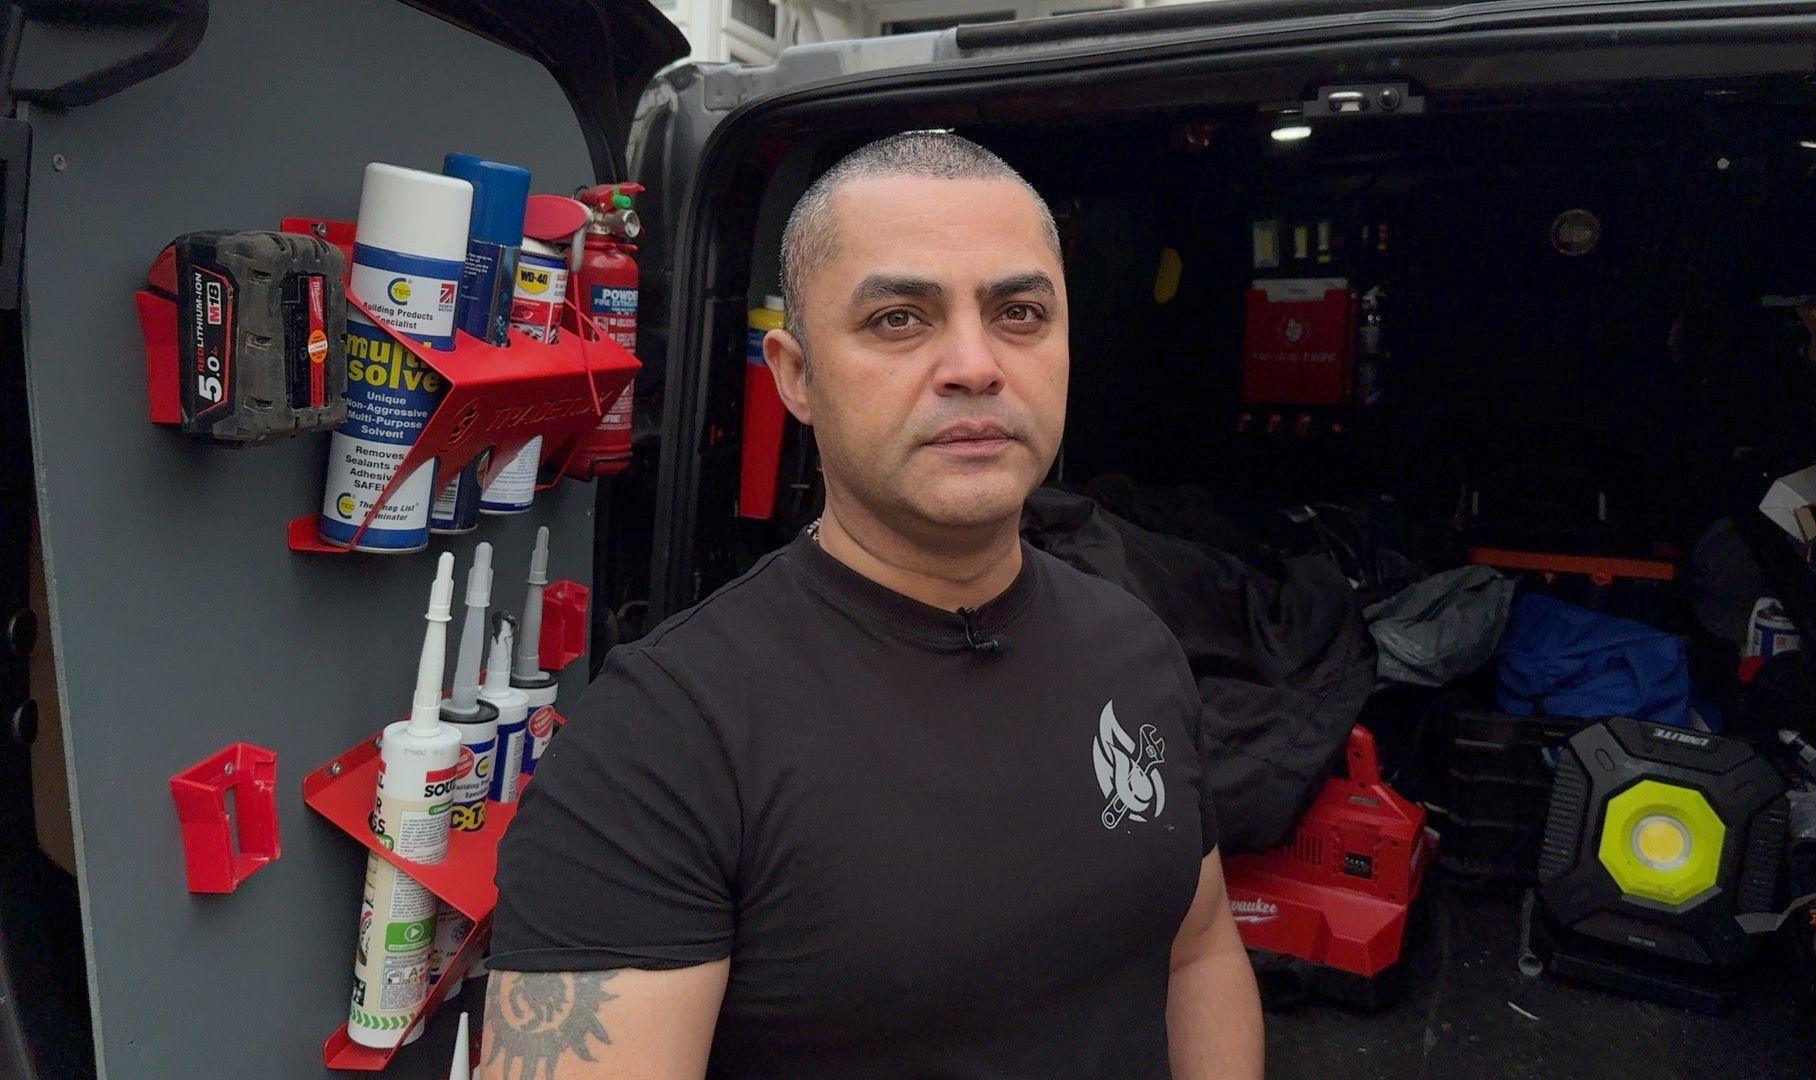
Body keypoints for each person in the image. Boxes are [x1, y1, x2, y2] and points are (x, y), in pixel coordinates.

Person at [483, 131, 1263, 1079]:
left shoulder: (1134, 647)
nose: (975, 364)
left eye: (1019, 312)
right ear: (797, 377)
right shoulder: (664, 739)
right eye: (900, 318)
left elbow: (1199, 950)